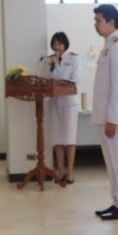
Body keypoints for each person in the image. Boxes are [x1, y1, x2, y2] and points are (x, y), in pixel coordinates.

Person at [91, 4, 118, 220]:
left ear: (111, 22)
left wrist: (113, 118)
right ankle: (117, 201)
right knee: (111, 163)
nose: (95, 24)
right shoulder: (109, 45)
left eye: (99, 20)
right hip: (104, 115)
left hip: (113, 118)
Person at [39, 31, 80, 185]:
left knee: (69, 139)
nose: (57, 47)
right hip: (54, 102)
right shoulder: (49, 60)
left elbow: (74, 79)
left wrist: (58, 67)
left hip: (69, 102)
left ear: (65, 44)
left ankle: (70, 172)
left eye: (60, 43)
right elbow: (45, 78)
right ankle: (61, 171)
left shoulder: (74, 58)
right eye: (55, 44)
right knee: (57, 139)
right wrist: (52, 65)